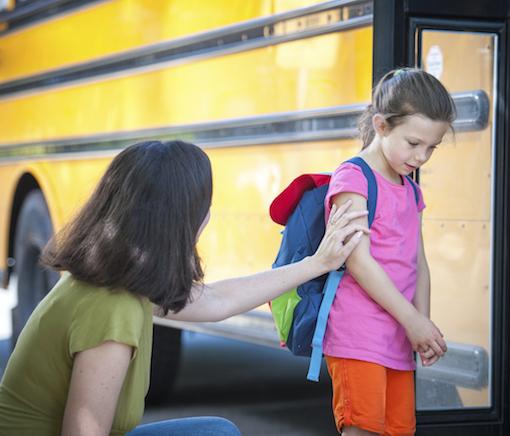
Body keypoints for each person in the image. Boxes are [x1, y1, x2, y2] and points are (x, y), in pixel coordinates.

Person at [0, 140, 369, 436]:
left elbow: (218, 299)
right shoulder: (112, 309)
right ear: (182, 220)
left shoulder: (119, 280)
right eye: (204, 205)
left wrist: (316, 264)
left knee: (215, 431)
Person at [322, 68, 455, 436]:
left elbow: (419, 264)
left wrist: (422, 325)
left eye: (432, 147)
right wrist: (412, 321)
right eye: (414, 143)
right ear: (381, 126)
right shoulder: (353, 178)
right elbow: (358, 261)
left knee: (399, 430)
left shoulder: (411, 190)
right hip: (358, 336)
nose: (423, 156)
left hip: (399, 338)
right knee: (363, 429)